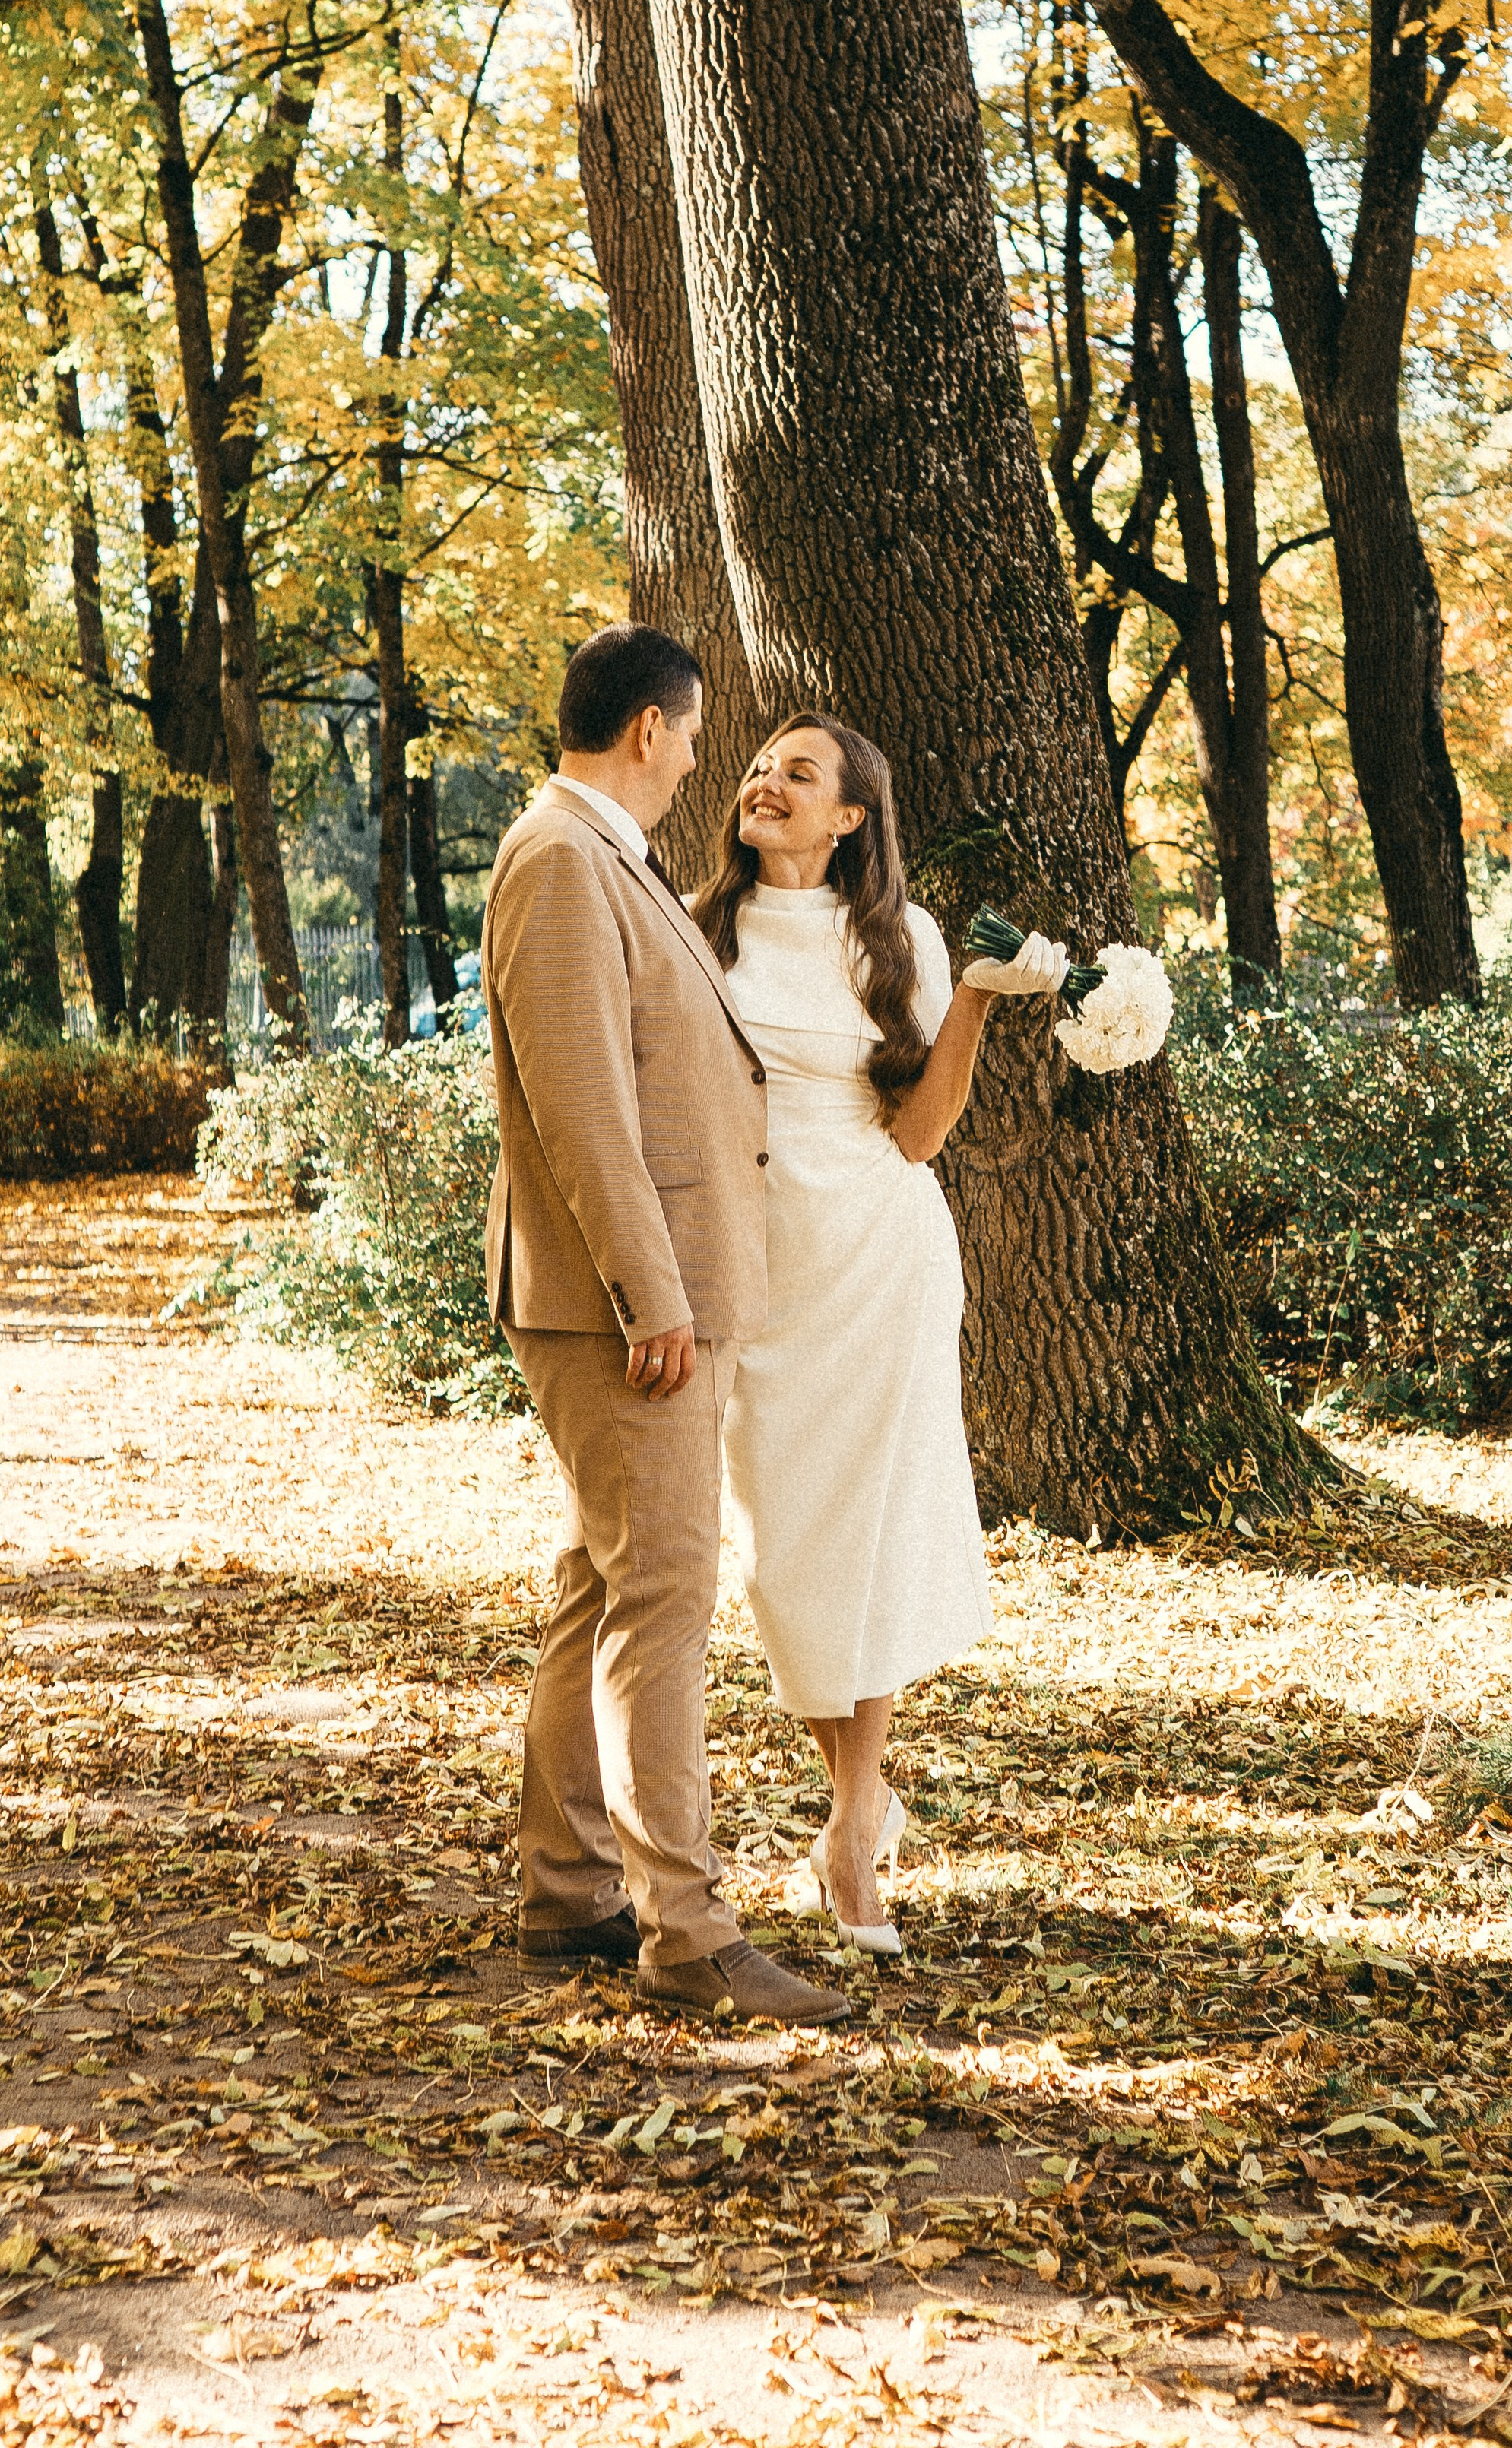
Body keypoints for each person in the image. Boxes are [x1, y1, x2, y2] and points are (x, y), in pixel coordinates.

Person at [479, 623, 847, 2026]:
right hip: (622, 1308)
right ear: (649, 729)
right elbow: (582, 1109)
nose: (701, 757)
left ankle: (569, 1887)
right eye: (695, 733)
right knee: (666, 1601)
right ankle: (685, 1932)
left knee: (605, 1583)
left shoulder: (598, 857)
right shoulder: (564, 861)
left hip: (642, 1298)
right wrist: (653, 1298)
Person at [692, 715, 1068, 1955]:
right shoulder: (698, 926)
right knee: (786, 1554)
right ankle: (861, 1802)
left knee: (867, 1544)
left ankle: (851, 1830)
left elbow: (918, 1133)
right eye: (758, 766)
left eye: (799, 773)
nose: (766, 782)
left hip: (880, 1261)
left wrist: (970, 999)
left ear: (852, 814)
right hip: (758, 1274)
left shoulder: (894, 939)